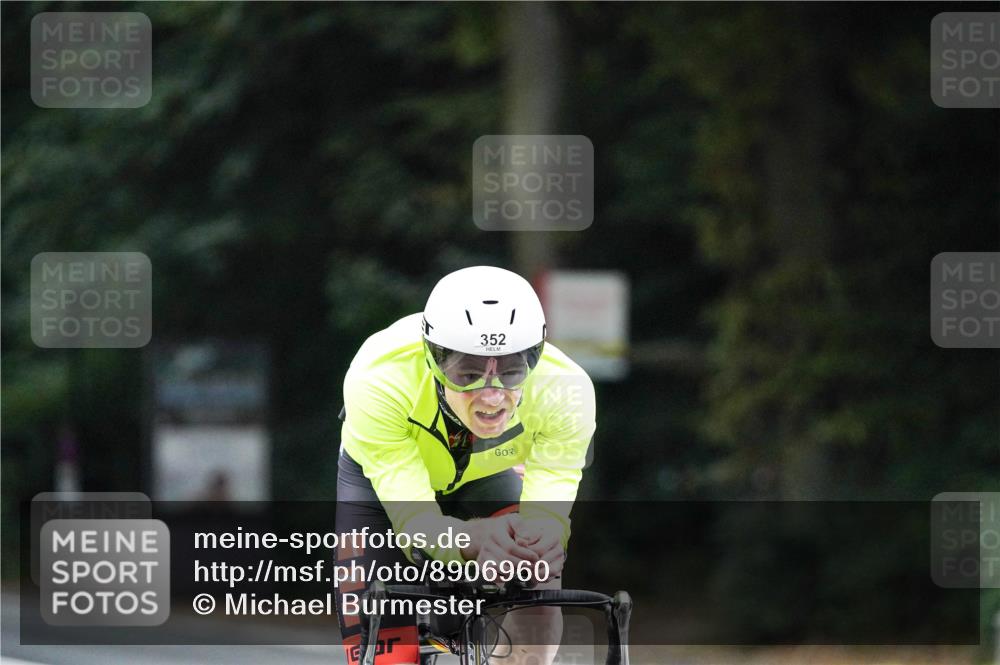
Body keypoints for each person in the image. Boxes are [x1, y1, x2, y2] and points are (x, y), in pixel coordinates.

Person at [335, 265, 596, 665]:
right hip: (379, 489)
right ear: (433, 359)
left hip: (486, 475)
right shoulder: (379, 378)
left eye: (511, 372)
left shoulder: (567, 390)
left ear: (535, 357)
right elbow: (414, 520)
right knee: (383, 640)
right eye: (468, 374)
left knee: (537, 575)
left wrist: (541, 541)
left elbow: (550, 507)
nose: (491, 397)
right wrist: (472, 540)